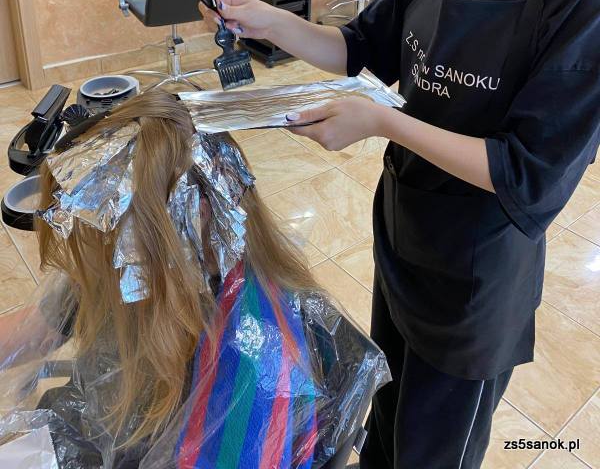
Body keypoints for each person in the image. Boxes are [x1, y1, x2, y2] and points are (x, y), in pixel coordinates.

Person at [211, 0, 600, 468]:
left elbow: (527, 174)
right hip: (404, 242)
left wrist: (385, 122)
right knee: (381, 431)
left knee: (430, 453)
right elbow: (362, 48)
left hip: (475, 284)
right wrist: (270, 22)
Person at [0, 90, 389, 469]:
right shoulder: (126, 265)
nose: (99, 247)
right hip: (100, 432)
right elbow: (35, 330)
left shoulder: (250, 365)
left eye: (108, 224)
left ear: (194, 214)